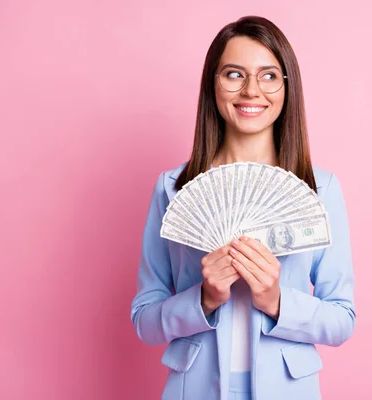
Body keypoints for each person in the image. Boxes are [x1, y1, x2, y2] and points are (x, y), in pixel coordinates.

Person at [130, 15, 356, 400]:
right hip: (194, 388)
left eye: (269, 76)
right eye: (234, 74)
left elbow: (342, 319)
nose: (252, 91)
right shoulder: (172, 189)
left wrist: (277, 301)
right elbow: (144, 320)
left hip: (288, 390)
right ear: (212, 85)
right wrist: (202, 299)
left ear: (286, 88)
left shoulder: (320, 189)